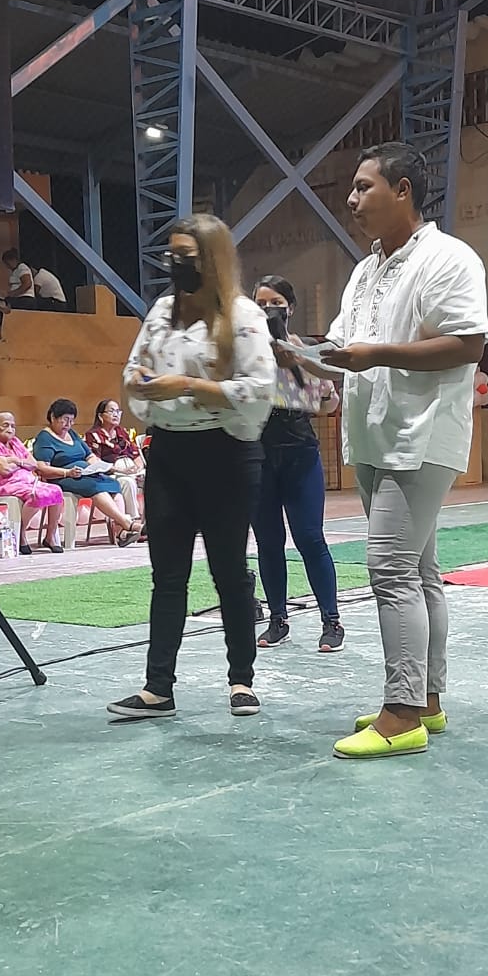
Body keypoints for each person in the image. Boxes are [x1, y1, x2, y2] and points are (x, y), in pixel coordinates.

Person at [285, 142, 488, 759]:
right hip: (374, 437)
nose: (351, 200)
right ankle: (426, 700)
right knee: (419, 572)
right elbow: (342, 350)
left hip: (422, 436)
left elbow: (468, 343)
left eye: (363, 187)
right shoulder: (364, 271)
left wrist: (374, 355)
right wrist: (296, 354)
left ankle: (400, 715)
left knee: (390, 569)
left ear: (403, 190)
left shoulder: (449, 258)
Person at [107, 213, 275, 722]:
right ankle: (158, 687)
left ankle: (241, 679)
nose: (175, 265)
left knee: (230, 573)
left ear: (214, 260)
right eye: (172, 255)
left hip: (226, 456)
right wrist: (139, 381)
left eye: (188, 257)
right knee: (167, 576)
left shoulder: (243, 316)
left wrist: (184, 386)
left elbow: (260, 390)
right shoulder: (162, 311)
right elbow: (132, 369)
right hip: (168, 455)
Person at [252, 276, 344, 654]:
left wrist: (300, 365)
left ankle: (331, 621)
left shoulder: (306, 350)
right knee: (268, 541)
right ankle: (277, 619)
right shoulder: (244, 353)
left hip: (299, 451)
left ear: (290, 307)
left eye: (275, 303)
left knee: (309, 537)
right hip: (258, 453)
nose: (268, 311)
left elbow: (330, 402)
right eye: (260, 304)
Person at [33, 400, 140, 545]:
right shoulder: (45, 438)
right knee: (95, 487)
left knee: (113, 484)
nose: (68, 424)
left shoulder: (72, 434)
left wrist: (101, 467)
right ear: (53, 417)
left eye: (71, 420)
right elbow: (42, 468)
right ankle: (128, 524)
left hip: (83, 473)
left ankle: (120, 532)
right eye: (65, 419)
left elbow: (89, 456)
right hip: (62, 477)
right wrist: (67, 472)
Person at [0, 412, 66, 554]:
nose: (10, 429)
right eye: (5, 425)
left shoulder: (15, 442)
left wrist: (14, 460)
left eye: (13, 426)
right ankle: (21, 534)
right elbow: (4, 470)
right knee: (36, 495)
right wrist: (20, 462)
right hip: (6, 484)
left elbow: (34, 464)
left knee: (56, 490)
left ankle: (50, 536)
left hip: (29, 481)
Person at [85, 399, 144, 525]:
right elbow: (95, 462)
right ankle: (131, 522)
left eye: (118, 411)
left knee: (152, 478)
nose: (116, 414)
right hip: (110, 473)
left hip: (130, 470)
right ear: (100, 416)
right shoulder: (93, 435)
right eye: (111, 411)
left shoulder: (122, 432)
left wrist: (138, 468)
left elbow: (135, 453)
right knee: (127, 482)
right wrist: (121, 470)